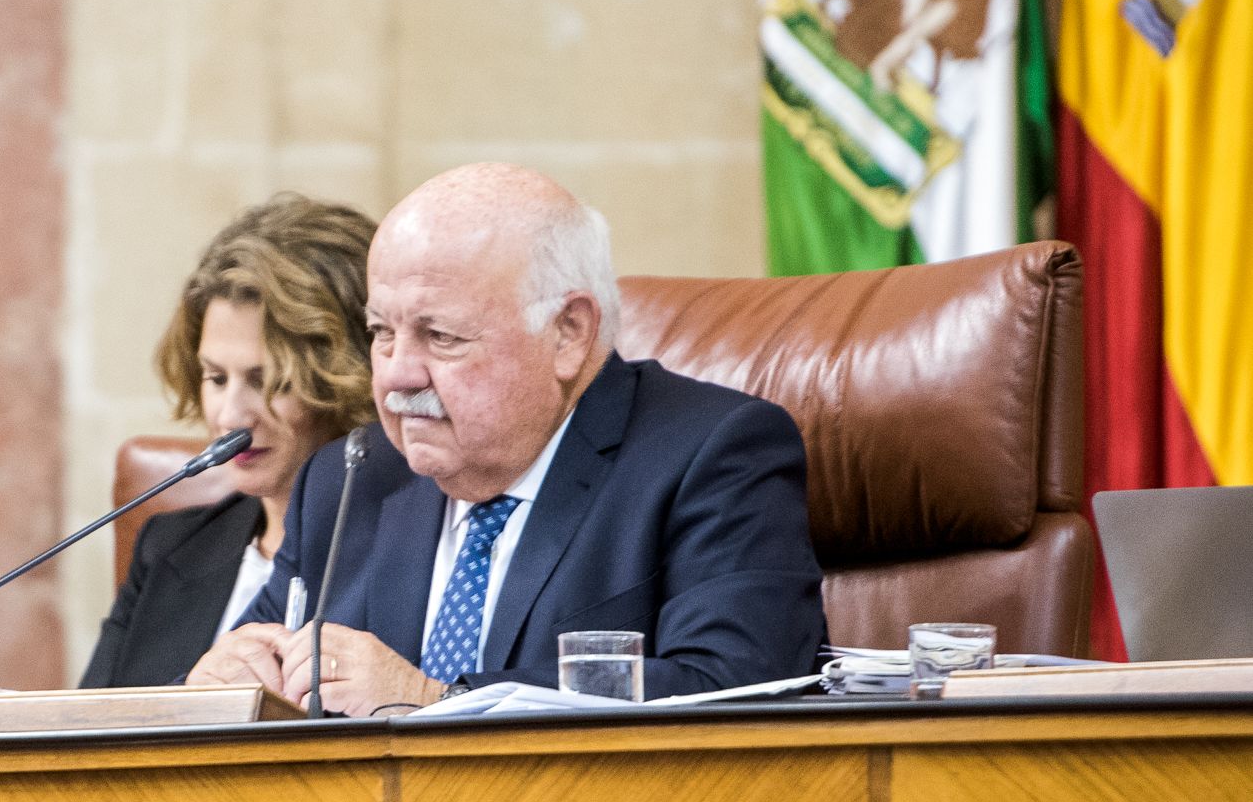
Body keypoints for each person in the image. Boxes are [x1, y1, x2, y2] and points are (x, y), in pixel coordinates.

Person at [190, 163, 826, 712]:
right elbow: (248, 680)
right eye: (383, 332)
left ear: (568, 333)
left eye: (441, 337)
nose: (398, 374)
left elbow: (738, 685)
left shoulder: (712, 455)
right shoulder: (350, 477)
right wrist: (221, 688)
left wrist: (435, 702)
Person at [81, 195, 377, 689]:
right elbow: (86, 734)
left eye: (265, 381)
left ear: (346, 378)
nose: (230, 415)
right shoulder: (169, 547)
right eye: (216, 378)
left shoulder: (405, 551)